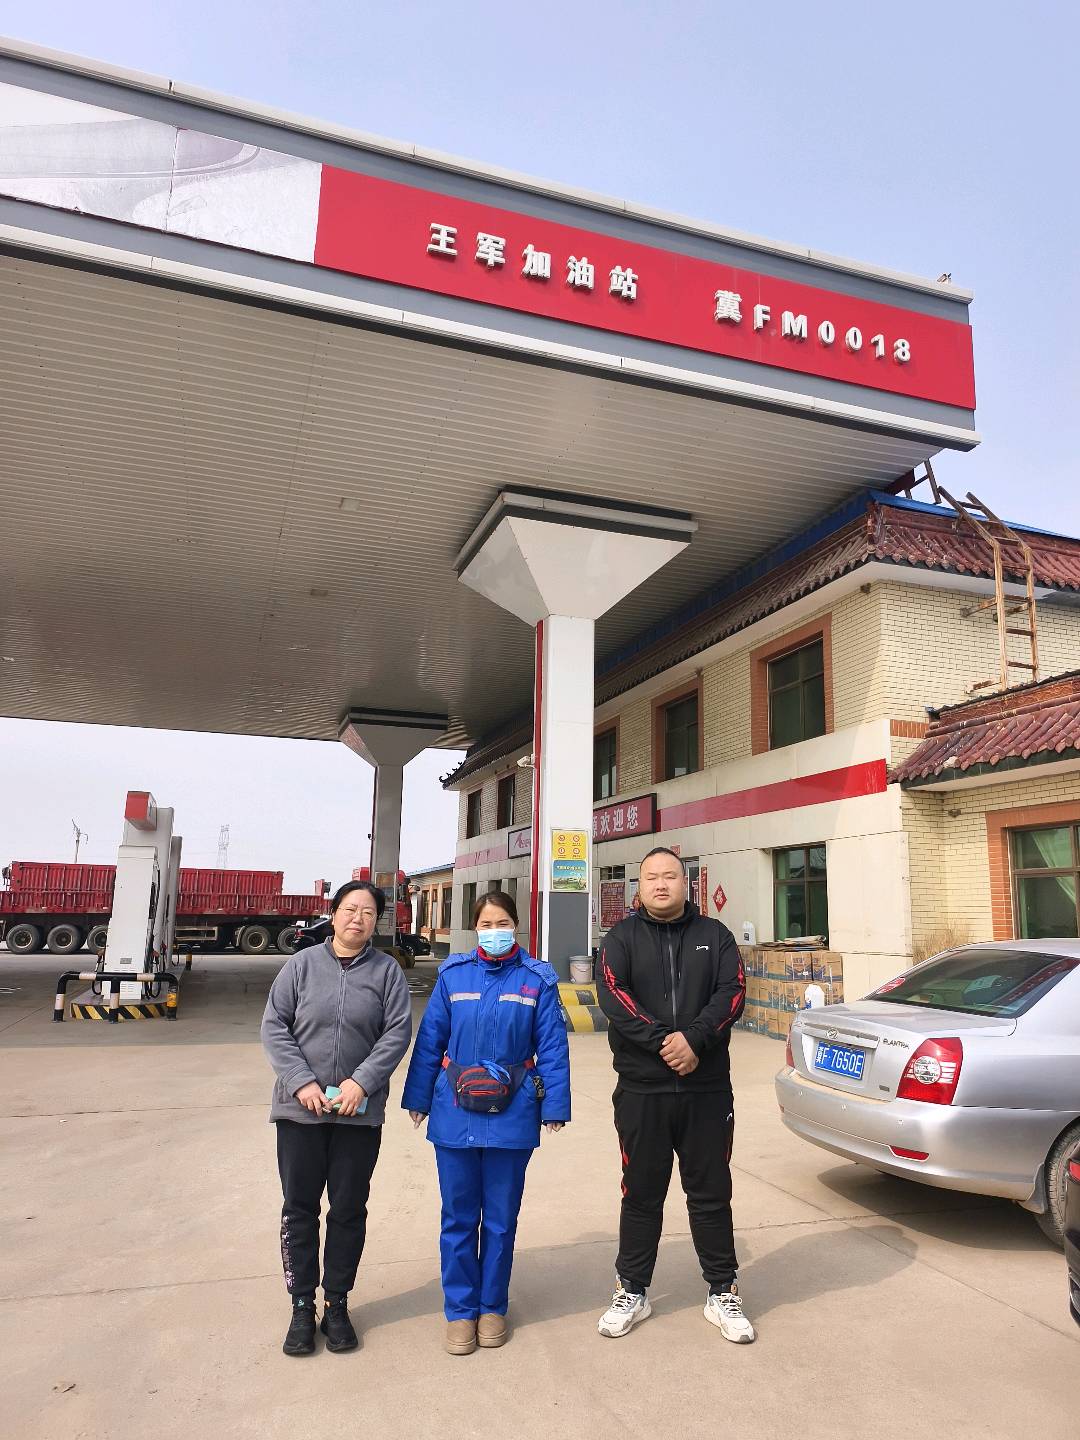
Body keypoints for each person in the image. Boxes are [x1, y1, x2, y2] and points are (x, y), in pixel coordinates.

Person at [594, 847, 754, 1343]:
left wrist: (696, 1040)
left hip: (707, 1090)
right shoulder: (619, 939)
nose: (660, 884)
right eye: (651, 878)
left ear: (686, 883)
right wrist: (667, 1042)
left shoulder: (715, 936)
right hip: (642, 1091)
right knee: (641, 1193)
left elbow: (732, 993)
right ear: (639, 887)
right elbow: (614, 996)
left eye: (669, 876)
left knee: (711, 1192)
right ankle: (632, 1289)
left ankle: (722, 1290)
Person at [401, 890, 570, 1355]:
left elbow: (552, 1046)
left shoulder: (537, 980)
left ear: (516, 926)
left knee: (499, 1219)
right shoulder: (453, 976)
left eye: (503, 924)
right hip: (454, 1111)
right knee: (457, 1216)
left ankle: (492, 1306)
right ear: (475, 929)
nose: (495, 932)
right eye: (486, 924)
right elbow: (430, 1039)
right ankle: (460, 1310)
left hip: (513, 1113)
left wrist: (554, 1106)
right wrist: (418, 1098)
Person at [261, 880, 413, 1357]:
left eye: (368, 912)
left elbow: (397, 1032)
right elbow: (274, 1026)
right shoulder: (301, 965)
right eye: (350, 909)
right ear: (333, 913)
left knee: (348, 1209)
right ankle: (302, 1305)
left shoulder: (387, 971)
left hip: (356, 1115)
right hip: (300, 1112)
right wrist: (301, 1082)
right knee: (300, 1208)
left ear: (376, 921)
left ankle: (337, 1303)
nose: (357, 919)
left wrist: (360, 1083)